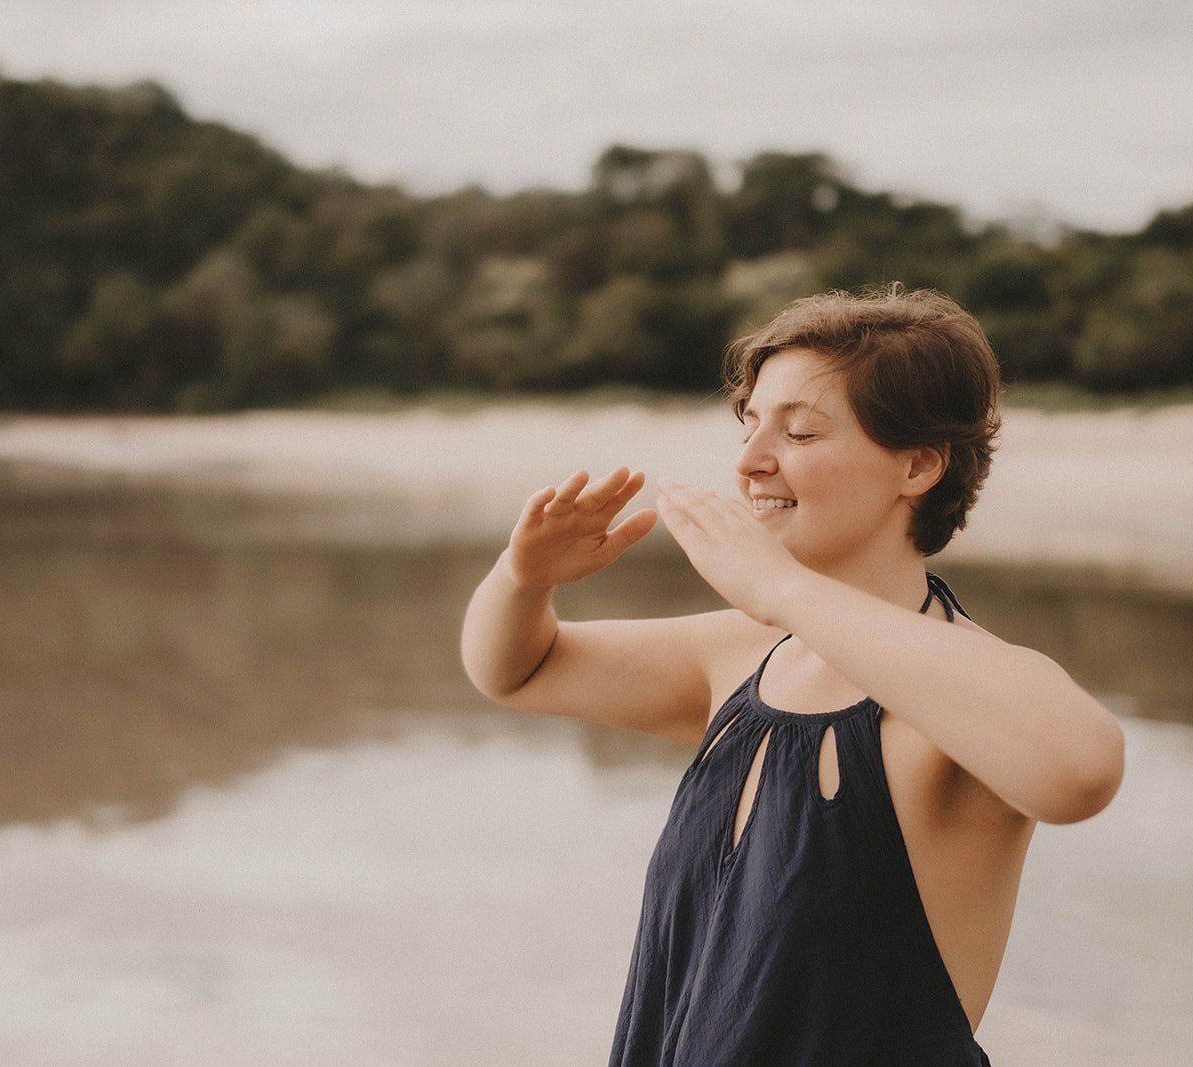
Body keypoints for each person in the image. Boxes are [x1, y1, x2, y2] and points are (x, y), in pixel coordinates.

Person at [459, 286, 1125, 1066]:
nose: (749, 462)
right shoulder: (745, 657)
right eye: (750, 425)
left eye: (801, 431)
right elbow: (516, 669)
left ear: (918, 463)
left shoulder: (963, 686)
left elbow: (1082, 771)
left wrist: (782, 588)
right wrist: (523, 574)